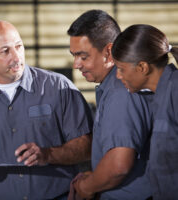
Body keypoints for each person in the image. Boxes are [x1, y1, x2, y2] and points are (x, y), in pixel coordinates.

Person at [0, 20, 93, 200]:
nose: (16, 57)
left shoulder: (59, 88)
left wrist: (48, 154)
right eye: (5, 51)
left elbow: (87, 147)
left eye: (19, 46)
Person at [67, 10, 153, 200]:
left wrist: (87, 186)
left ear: (108, 52)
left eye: (83, 56)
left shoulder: (121, 92)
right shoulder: (112, 88)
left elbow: (118, 166)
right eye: (74, 55)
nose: (76, 64)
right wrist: (97, 176)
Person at [112, 24, 178, 200]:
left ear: (142, 67)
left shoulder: (175, 92)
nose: (118, 76)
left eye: (121, 69)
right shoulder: (159, 97)